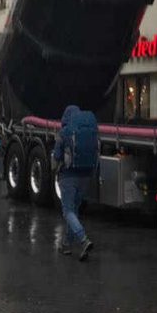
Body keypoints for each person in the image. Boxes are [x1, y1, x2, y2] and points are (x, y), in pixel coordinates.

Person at [52, 104, 99, 260]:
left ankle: (83, 239)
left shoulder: (64, 132)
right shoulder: (89, 131)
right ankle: (66, 244)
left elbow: (58, 156)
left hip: (68, 176)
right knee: (75, 210)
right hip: (86, 176)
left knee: (68, 211)